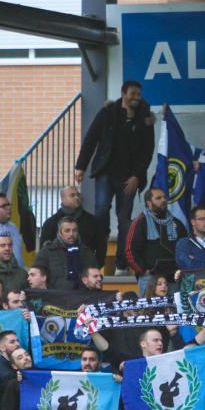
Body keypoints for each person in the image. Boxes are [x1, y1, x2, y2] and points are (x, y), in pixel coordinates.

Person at [75, 80, 155, 275]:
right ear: (123, 94)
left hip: (129, 178)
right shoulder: (108, 112)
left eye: (138, 94)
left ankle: (121, 264)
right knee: (101, 212)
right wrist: (81, 166)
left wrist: (137, 176)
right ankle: (99, 260)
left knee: (123, 219)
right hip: (105, 172)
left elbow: (147, 150)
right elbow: (91, 138)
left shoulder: (145, 117)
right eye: (132, 94)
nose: (136, 98)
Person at [125, 187, 188, 283]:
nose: (163, 200)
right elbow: (130, 250)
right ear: (149, 203)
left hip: (174, 277)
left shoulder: (177, 223)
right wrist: (143, 271)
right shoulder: (140, 222)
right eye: (158, 198)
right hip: (150, 278)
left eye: (164, 197)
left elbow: (186, 248)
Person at [40, 185, 106, 267]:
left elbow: (101, 245)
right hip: (58, 270)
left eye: (78, 195)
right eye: (72, 195)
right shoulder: (51, 223)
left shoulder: (92, 221)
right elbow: (44, 249)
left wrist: (96, 265)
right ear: (63, 198)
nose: (77, 197)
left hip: (86, 269)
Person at [34, 216, 98, 290]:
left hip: (82, 297)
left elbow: (96, 278)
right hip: (54, 297)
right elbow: (36, 277)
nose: (71, 234)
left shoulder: (86, 253)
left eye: (74, 230)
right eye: (67, 231)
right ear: (60, 233)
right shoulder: (46, 252)